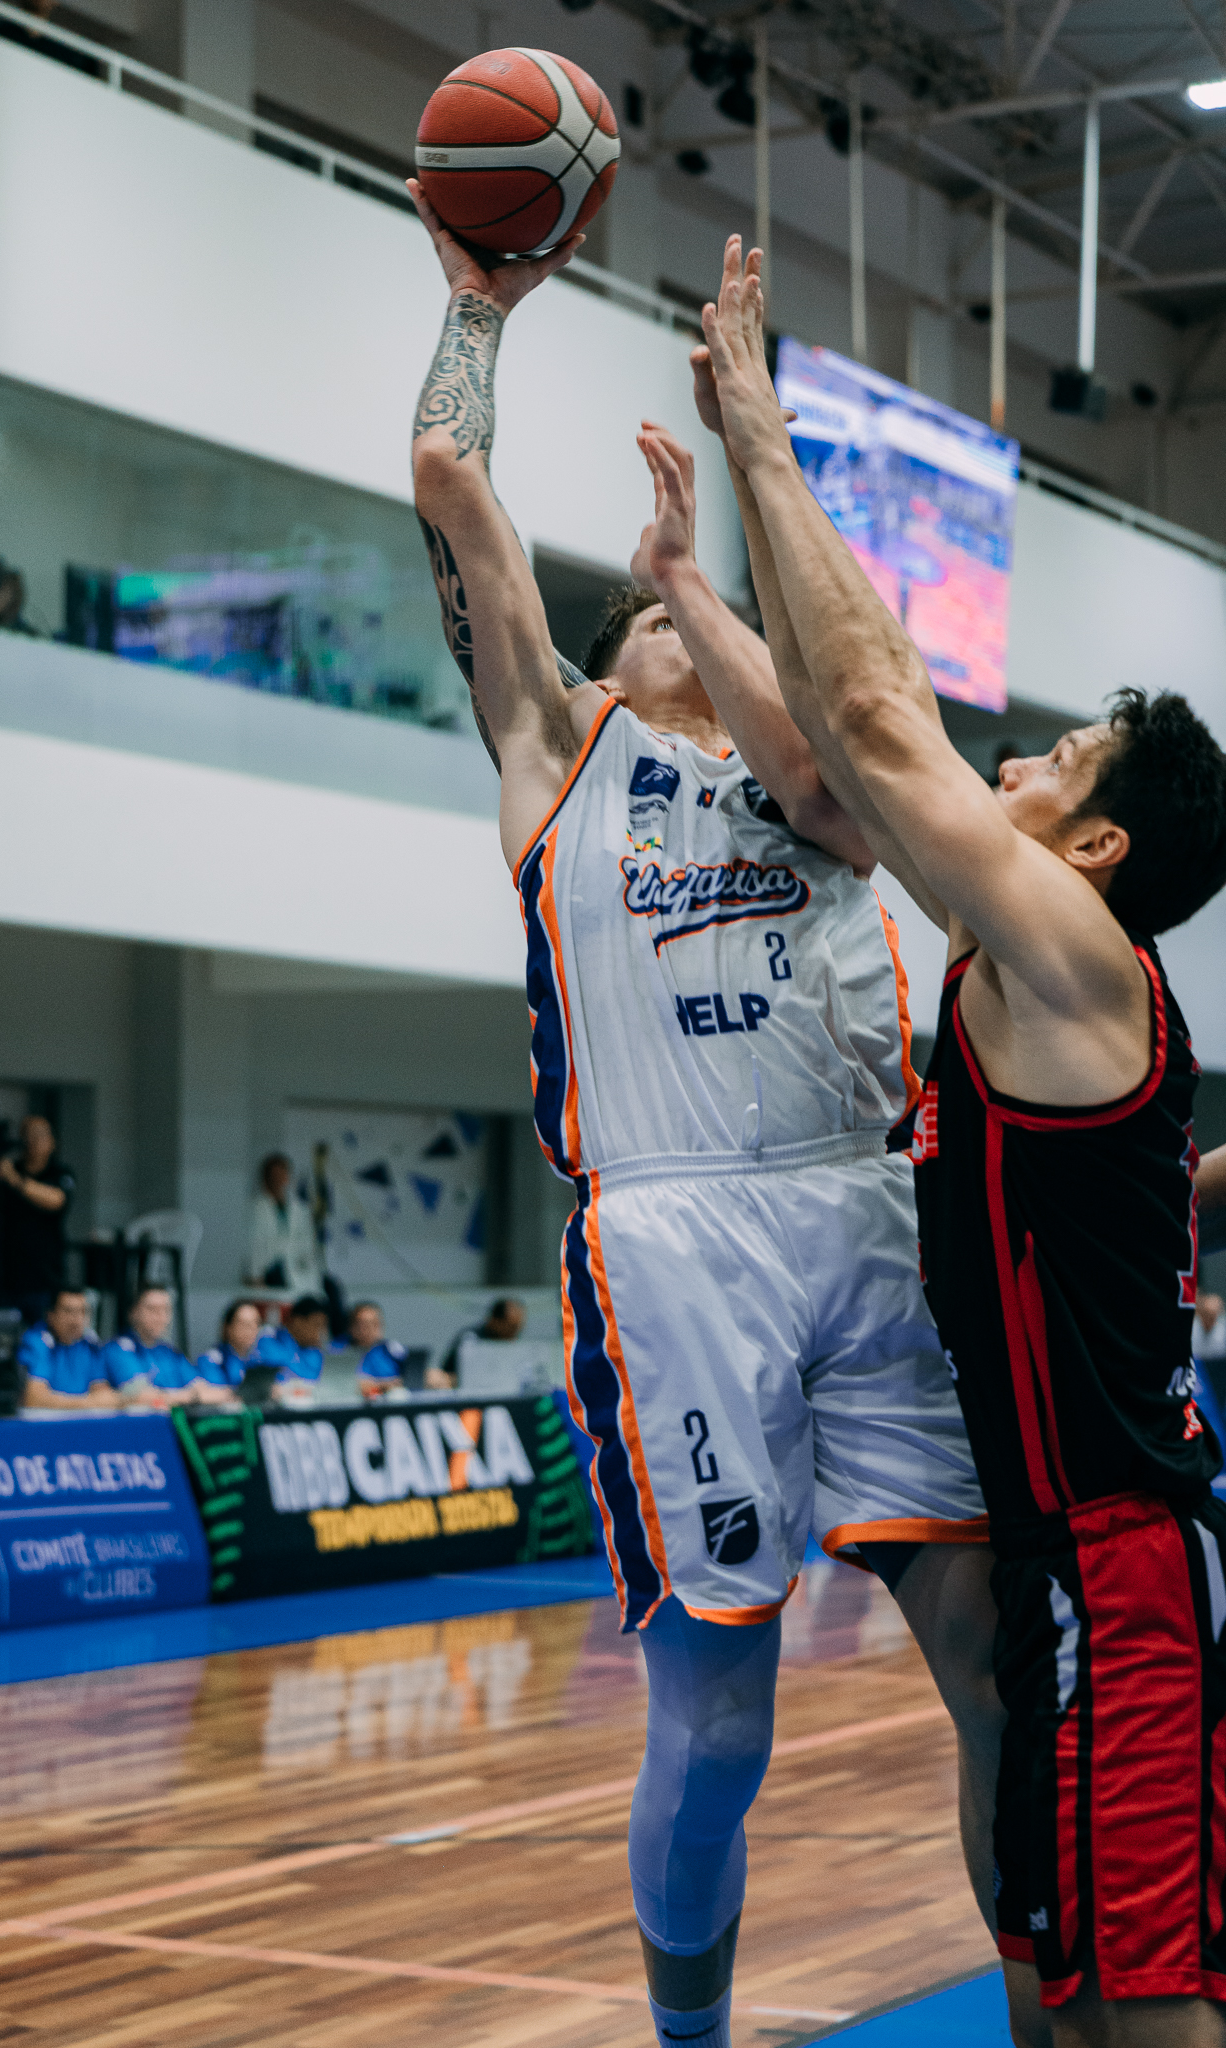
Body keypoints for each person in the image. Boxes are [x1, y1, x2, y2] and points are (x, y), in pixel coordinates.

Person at [407, 184, 1000, 2048]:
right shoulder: (562, 750)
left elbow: (824, 756)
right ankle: (691, 2034)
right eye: (668, 616)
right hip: (672, 1238)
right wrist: (480, 305)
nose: (700, 631)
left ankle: (1055, 1996)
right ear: (615, 657)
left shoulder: (816, 775)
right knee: (721, 1714)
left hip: (866, 1209)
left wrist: (707, 554)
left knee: (994, 1654)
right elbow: (448, 483)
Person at [697, 237, 1226, 2047]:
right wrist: (708, 565)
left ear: (1093, 854)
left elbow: (873, 716)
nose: (1008, 767)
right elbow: (840, 757)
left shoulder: (1069, 951)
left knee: (1144, 2011)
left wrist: (769, 439)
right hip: (1056, 1555)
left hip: (1120, 1561)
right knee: (1052, 1995)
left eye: (1053, 766)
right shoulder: (1041, 979)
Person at [0, 1114, 75, 1325]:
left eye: (39, 1135)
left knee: (40, 1338)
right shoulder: (7, 1169)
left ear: (52, 1141)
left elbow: (57, 1200)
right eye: (27, 1135)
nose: (32, 1141)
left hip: (43, 1280)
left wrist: (15, 1180)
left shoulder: (59, 1172)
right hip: (3, 1278)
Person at [100, 1287, 208, 1406]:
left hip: (175, 1415)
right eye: (152, 1309)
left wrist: (185, 1396)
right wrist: (191, 1396)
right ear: (133, 1312)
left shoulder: (169, 1352)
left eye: (166, 1310)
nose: (160, 1317)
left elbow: (206, 1391)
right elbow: (139, 1396)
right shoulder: (117, 1349)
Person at [19, 1287, 113, 1410]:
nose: (76, 1320)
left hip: (80, 1418)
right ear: (51, 1315)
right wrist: (85, 1403)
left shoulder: (89, 1344)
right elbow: (34, 1398)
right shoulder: (37, 1341)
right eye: (68, 1311)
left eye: (82, 1312)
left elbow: (102, 1394)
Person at [245, 1153, 319, 1291]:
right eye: (274, 1176)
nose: (278, 1180)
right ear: (266, 1179)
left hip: (298, 1271)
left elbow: (307, 1244)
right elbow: (253, 1245)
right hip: (269, 1272)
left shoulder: (299, 1209)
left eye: (282, 1175)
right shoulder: (256, 1208)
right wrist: (255, 1276)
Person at [432, 1294, 526, 1390]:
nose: (515, 1333)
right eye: (512, 1327)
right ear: (495, 1321)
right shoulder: (470, 1340)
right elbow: (453, 1376)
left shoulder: (510, 1345)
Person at [256, 1295, 328, 1398]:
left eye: (323, 1326)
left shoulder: (315, 1352)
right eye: (316, 1325)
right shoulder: (269, 1340)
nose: (321, 1333)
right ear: (298, 1321)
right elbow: (274, 1379)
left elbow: (313, 1383)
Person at [195, 1298, 263, 1398]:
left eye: (256, 1323)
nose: (251, 1329)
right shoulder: (211, 1360)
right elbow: (213, 1395)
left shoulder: (256, 1359)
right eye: (244, 1324)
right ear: (228, 1327)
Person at [347, 1300, 407, 1401]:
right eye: (364, 1324)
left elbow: (413, 1373)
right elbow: (340, 1384)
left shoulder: (392, 1349)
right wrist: (383, 1385)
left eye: (375, 1324)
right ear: (352, 1326)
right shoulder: (338, 1351)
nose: (370, 1329)